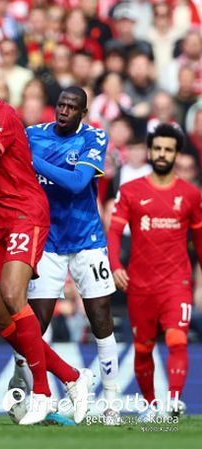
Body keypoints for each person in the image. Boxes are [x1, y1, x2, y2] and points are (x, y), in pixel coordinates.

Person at [0, 52, 93, 424]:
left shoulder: (2, 117)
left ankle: (42, 393)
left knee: (14, 297)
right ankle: (72, 376)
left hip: (23, 215)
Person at [25, 86, 121, 425]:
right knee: (34, 324)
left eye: (71, 106)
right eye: (61, 105)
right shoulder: (32, 134)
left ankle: (111, 404)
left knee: (100, 318)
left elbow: (78, 183)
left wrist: (32, 162)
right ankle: (34, 396)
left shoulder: (94, 137)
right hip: (46, 240)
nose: (64, 110)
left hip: (86, 239)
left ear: (83, 112)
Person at [108, 123, 202, 421]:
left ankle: (173, 401)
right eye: (158, 148)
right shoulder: (130, 191)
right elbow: (114, 232)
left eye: (168, 150)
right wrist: (115, 265)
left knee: (177, 339)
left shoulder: (191, 195)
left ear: (176, 154)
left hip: (177, 283)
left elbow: (200, 241)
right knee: (143, 348)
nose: (162, 154)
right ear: (149, 152)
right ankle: (150, 405)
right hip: (140, 285)